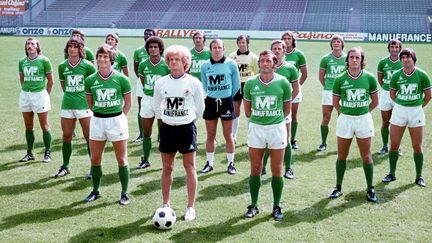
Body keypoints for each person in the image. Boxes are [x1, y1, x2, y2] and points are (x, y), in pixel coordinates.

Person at [153, 45, 205, 221]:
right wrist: (166, 121)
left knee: (189, 167)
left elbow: (200, 107)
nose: (173, 62)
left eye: (177, 59)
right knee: (167, 167)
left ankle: (190, 207)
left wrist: (188, 121)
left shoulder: (193, 82)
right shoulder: (161, 83)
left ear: (185, 62)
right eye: (171, 59)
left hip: (186, 129)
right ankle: (166, 203)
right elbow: (156, 106)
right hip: (167, 129)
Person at [243, 50, 291, 220]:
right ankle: (254, 205)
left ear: (274, 63)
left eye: (268, 61)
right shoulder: (250, 83)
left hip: (276, 128)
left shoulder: (283, 83)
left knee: (277, 170)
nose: (264, 64)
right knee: (255, 169)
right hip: (256, 128)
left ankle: (276, 206)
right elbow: (247, 111)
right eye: (262, 61)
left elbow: (286, 109)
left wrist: (273, 119)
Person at [83, 44, 132, 205]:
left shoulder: (121, 79)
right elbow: (90, 104)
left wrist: (117, 117)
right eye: (99, 56)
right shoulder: (90, 80)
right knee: (95, 159)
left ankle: (124, 193)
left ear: (111, 59)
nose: (102, 59)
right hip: (97, 121)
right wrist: (101, 113)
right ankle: (96, 190)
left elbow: (128, 104)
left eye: (105, 56)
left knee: (121, 159)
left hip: (116, 121)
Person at [329, 47, 379, 202]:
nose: (354, 60)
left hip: (363, 119)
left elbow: (375, 101)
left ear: (362, 60)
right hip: (345, 120)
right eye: (351, 57)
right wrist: (345, 112)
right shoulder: (340, 79)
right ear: (347, 60)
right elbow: (336, 102)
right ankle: (338, 187)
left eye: (357, 57)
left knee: (366, 156)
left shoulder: (369, 78)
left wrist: (363, 112)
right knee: (342, 155)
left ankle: (370, 188)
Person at [382, 48, 431, 186]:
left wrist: (418, 106)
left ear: (413, 59)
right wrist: (401, 104)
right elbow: (392, 94)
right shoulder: (396, 75)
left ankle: (419, 176)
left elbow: (428, 95)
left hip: (416, 112)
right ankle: (391, 173)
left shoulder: (422, 75)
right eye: (402, 57)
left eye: (408, 57)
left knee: (417, 146)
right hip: (400, 111)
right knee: (394, 145)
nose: (405, 60)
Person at [54, 37, 96, 178]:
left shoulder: (88, 66)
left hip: (84, 106)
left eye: (75, 46)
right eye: (70, 46)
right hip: (67, 105)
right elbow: (64, 86)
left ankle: (93, 167)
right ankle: (65, 166)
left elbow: (93, 87)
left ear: (80, 49)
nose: (72, 49)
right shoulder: (62, 66)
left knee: (89, 137)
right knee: (66, 136)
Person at [200, 39, 241, 175]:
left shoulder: (231, 64)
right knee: (210, 135)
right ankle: (209, 163)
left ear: (223, 49)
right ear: (210, 49)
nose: (217, 50)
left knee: (228, 135)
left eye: (219, 47)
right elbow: (205, 85)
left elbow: (236, 85)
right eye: (214, 47)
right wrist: (213, 94)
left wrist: (226, 97)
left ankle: (230, 163)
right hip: (211, 103)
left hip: (226, 102)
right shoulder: (205, 66)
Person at [262, 40, 299, 179]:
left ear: (284, 51)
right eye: (274, 48)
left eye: (279, 48)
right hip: (267, 110)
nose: (277, 51)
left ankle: (288, 168)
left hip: (283, 110)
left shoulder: (290, 68)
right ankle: (263, 167)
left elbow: (295, 89)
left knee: (286, 139)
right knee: (265, 140)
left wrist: (286, 105)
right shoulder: (265, 66)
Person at [18, 37, 54, 163]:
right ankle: (30, 152)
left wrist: (45, 95)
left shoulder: (44, 60)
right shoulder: (22, 61)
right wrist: (26, 90)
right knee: (28, 126)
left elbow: (50, 81)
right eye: (28, 44)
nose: (30, 46)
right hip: (25, 95)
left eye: (32, 44)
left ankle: (48, 152)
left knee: (44, 125)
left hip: (40, 95)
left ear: (37, 47)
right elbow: (22, 79)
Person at [136, 36, 169, 169]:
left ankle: (165, 161)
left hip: (162, 100)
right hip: (147, 99)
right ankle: (146, 159)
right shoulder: (143, 64)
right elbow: (143, 81)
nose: (153, 49)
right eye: (150, 47)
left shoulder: (165, 64)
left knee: (164, 133)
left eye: (156, 47)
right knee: (146, 132)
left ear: (160, 49)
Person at [317, 35, 347, 152]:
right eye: (334, 41)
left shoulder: (347, 58)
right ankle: (323, 143)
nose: (336, 43)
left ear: (342, 44)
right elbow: (321, 76)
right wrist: (328, 87)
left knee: (342, 118)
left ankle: (342, 143)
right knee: (326, 118)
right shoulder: (325, 59)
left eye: (338, 41)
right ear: (331, 44)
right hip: (329, 92)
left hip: (343, 92)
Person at [228, 35, 259, 143]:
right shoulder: (231, 56)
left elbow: (256, 73)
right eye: (240, 42)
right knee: (235, 111)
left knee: (248, 112)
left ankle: (251, 136)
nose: (242, 44)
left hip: (248, 85)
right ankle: (233, 136)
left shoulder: (254, 57)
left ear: (247, 44)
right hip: (236, 85)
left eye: (244, 42)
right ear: (237, 43)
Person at [281, 31, 307, 150]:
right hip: (279, 89)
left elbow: (304, 74)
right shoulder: (277, 53)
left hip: (293, 89)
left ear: (292, 40)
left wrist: (296, 86)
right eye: (284, 38)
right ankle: (280, 138)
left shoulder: (299, 55)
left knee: (293, 115)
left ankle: (292, 139)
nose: (286, 40)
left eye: (289, 38)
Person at [377, 39, 403, 155]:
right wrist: (387, 88)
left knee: (398, 123)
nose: (394, 49)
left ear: (399, 49)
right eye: (392, 47)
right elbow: (380, 78)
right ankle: (385, 146)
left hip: (399, 95)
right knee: (385, 122)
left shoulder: (404, 62)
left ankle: (397, 147)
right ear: (389, 48)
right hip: (386, 94)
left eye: (396, 47)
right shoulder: (383, 62)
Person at [133, 28, 156, 143]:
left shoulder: (158, 48)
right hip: (143, 81)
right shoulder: (138, 51)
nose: (147, 35)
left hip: (157, 82)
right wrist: (142, 79)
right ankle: (142, 134)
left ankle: (160, 137)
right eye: (145, 34)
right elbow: (136, 68)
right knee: (141, 108)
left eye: (150, 34)